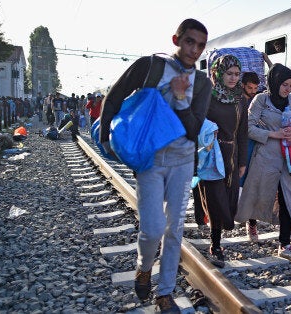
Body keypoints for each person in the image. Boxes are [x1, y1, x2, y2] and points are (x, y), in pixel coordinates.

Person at [98, 18, 211, 313]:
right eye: (190, 42)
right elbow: (115, 94)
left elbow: (193, 129)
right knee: (152, 229)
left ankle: (165, 293)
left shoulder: (202, 83)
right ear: (176, 40)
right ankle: (144, 267)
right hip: (150, 159)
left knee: (174, 229)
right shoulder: (150, 66)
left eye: (201, 45)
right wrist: (105, 135)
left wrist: (180, 98)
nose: (195, 50)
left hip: (183, 160)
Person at [235, 63, 291, 262]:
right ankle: (252, 222)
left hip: (287, 158)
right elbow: (247, 127)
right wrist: (274, 134)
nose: (287, 89)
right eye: (284, 85)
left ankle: (285, 244)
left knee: (288, 198)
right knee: (257, 193)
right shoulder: (261, 100)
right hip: (265, 155)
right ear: (275, 82)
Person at [194, 54, 248, 268]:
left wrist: (243, 161)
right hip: (210, 156)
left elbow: (243, 132)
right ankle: (215, 245)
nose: (233, 78)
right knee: (216, 201)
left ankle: (216, 236)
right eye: (229, 73)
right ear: (218, 73)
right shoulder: (207, 97)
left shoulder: (240, 99)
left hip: (232, 156)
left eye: (236, 74)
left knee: (229, 202)